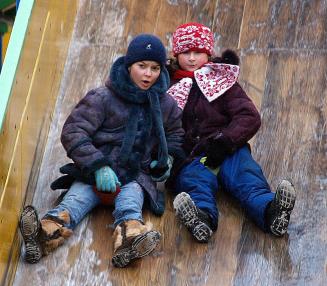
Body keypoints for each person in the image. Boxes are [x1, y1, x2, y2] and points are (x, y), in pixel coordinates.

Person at [19, 34, 185, 268]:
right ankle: (42, 235)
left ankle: (129, 241)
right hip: (95, 173)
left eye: (155, 68)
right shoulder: (102, 97)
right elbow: (74, 130)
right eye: (142, 66)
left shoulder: (165, 104)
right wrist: (98, 165)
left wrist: (167, 158)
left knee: (130, 204)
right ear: (129, 66)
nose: (148, 74)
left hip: (135, 174)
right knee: (73, 202)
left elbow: (176, 133)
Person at [166, 22, 296, 243]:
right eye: (185, 52)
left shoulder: (221, 82)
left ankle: (271, 211)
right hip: (195, 156)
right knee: (194, 182)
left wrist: (225, 141)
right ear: (176, 55)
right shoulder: (167, 87)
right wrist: (173, 155)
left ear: (208, 53)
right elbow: (161, 125)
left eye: (198, 52)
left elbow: (249, 117)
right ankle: (201, 218)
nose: (191, 58)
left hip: (227, 149)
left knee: (246, 177)